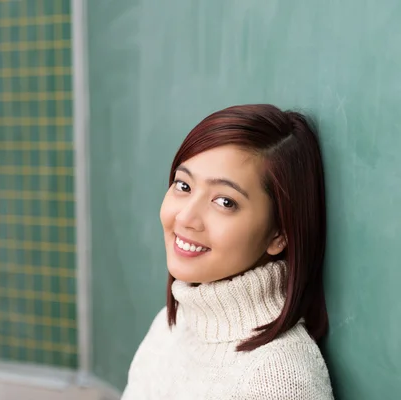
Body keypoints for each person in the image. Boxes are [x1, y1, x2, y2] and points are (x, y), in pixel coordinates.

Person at [121, 104, 334, 399]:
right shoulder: (173, 323)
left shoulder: (278, 380)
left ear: (279, 234)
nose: (184, 218)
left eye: (224, 202)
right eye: (183, 185)